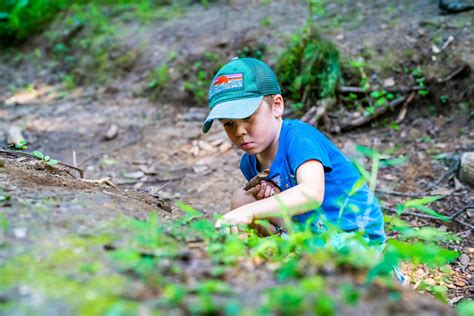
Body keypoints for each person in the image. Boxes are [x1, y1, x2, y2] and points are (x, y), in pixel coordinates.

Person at [201, 57, 385, 244]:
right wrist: (266, 199)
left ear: (277, 106)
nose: (240, 131)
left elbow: (311, 193)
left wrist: (249, 212)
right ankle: (276, 255)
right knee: (242, 198)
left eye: (248, 117)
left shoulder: (299, 138)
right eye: (229, 124)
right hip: (310, 231)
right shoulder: (249, 162)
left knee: (245, 208)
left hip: (352, 233)